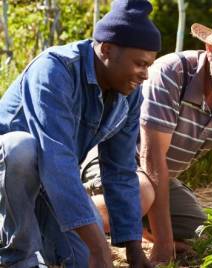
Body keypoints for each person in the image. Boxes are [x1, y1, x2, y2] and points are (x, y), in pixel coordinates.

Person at [87, 3, 212, 265]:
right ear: (211, 49)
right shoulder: (172, 73)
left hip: (159, 179)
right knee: (142, 193)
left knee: (204, 234)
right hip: (113, 165)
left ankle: (135, 228)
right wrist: (162, 244)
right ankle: (62, 220)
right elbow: (152, 157)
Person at [0, 0, 160, 267]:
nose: (145, 75)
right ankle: (17, 258)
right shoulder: (55, 70)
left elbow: (120, 171)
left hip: (49, 184)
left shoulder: (128, 94)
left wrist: (133, 250)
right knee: (21, 148)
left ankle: (38, 248)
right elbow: (56, 160)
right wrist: (100, 248)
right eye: (139, 64)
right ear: (107, 49)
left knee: (84, 258)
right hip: (9, 180)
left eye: (149, 65)